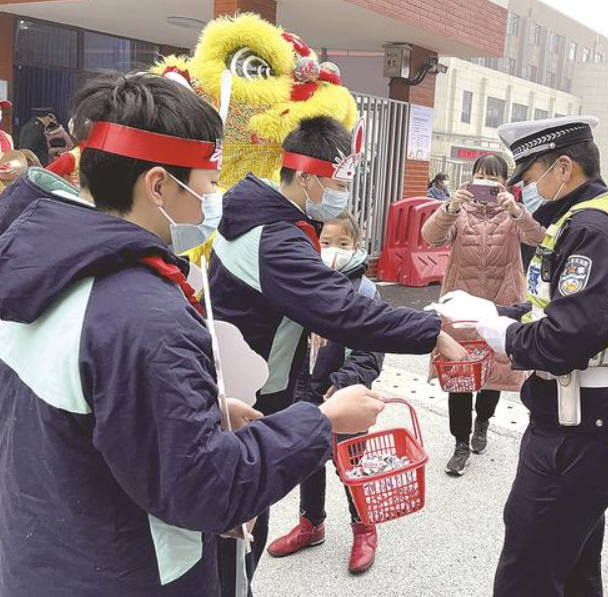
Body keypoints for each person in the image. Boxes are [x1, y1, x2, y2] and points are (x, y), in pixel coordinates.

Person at [0, 72, 387, 597]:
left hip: (47, 552)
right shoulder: (140, 312)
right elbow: (208, 488)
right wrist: (321, 422)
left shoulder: (37, 266)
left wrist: (193, 406)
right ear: (158, 185)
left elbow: (80, 411)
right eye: (206, 184)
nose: (214, 199)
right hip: (132, 570)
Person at [208, 115, 466, 590]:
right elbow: (343, 312)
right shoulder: (276, 236)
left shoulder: (256, 212)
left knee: (242, 519)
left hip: (244, 381)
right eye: (338, 180)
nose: (343, 191)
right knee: (238, 532)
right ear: (305, 176)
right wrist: (429, 332)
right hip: (245, 396)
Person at [432, 115, 608, 597]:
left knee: (528, 569)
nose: (527, 189)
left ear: (564, 167)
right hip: (587, 419)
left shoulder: (590, 228)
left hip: (577, 426)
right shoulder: (592, 216)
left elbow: (564, 340)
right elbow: (554, 308)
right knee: (572, 564)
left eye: (530, 178)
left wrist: (501, 332)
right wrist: (494, 309)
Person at [265, 210, 386, 575]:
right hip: (304, 389)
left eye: (343, 244)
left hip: (345, 395)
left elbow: (372, 347)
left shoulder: (364, 291)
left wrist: (347, 380)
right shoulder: (301, 282)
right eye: (326, 243)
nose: (333, 250)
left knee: (351, 464)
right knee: (309, 460)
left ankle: (364, 528)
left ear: (357, 247)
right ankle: (311, 523)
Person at [421, 153, 546, 475]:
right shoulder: (458, 209)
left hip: (499, 304)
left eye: (494, 178)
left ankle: (483, 422)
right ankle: (460, 442)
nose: (487, 183)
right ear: (472, 177)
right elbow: (430, 237)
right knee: (458, 372)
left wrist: (516, 211)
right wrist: (449, 207)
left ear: (504, 182)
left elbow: (538, 237)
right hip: (460, 307)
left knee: (494, 371)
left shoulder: (513, 214)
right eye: (481, 176)